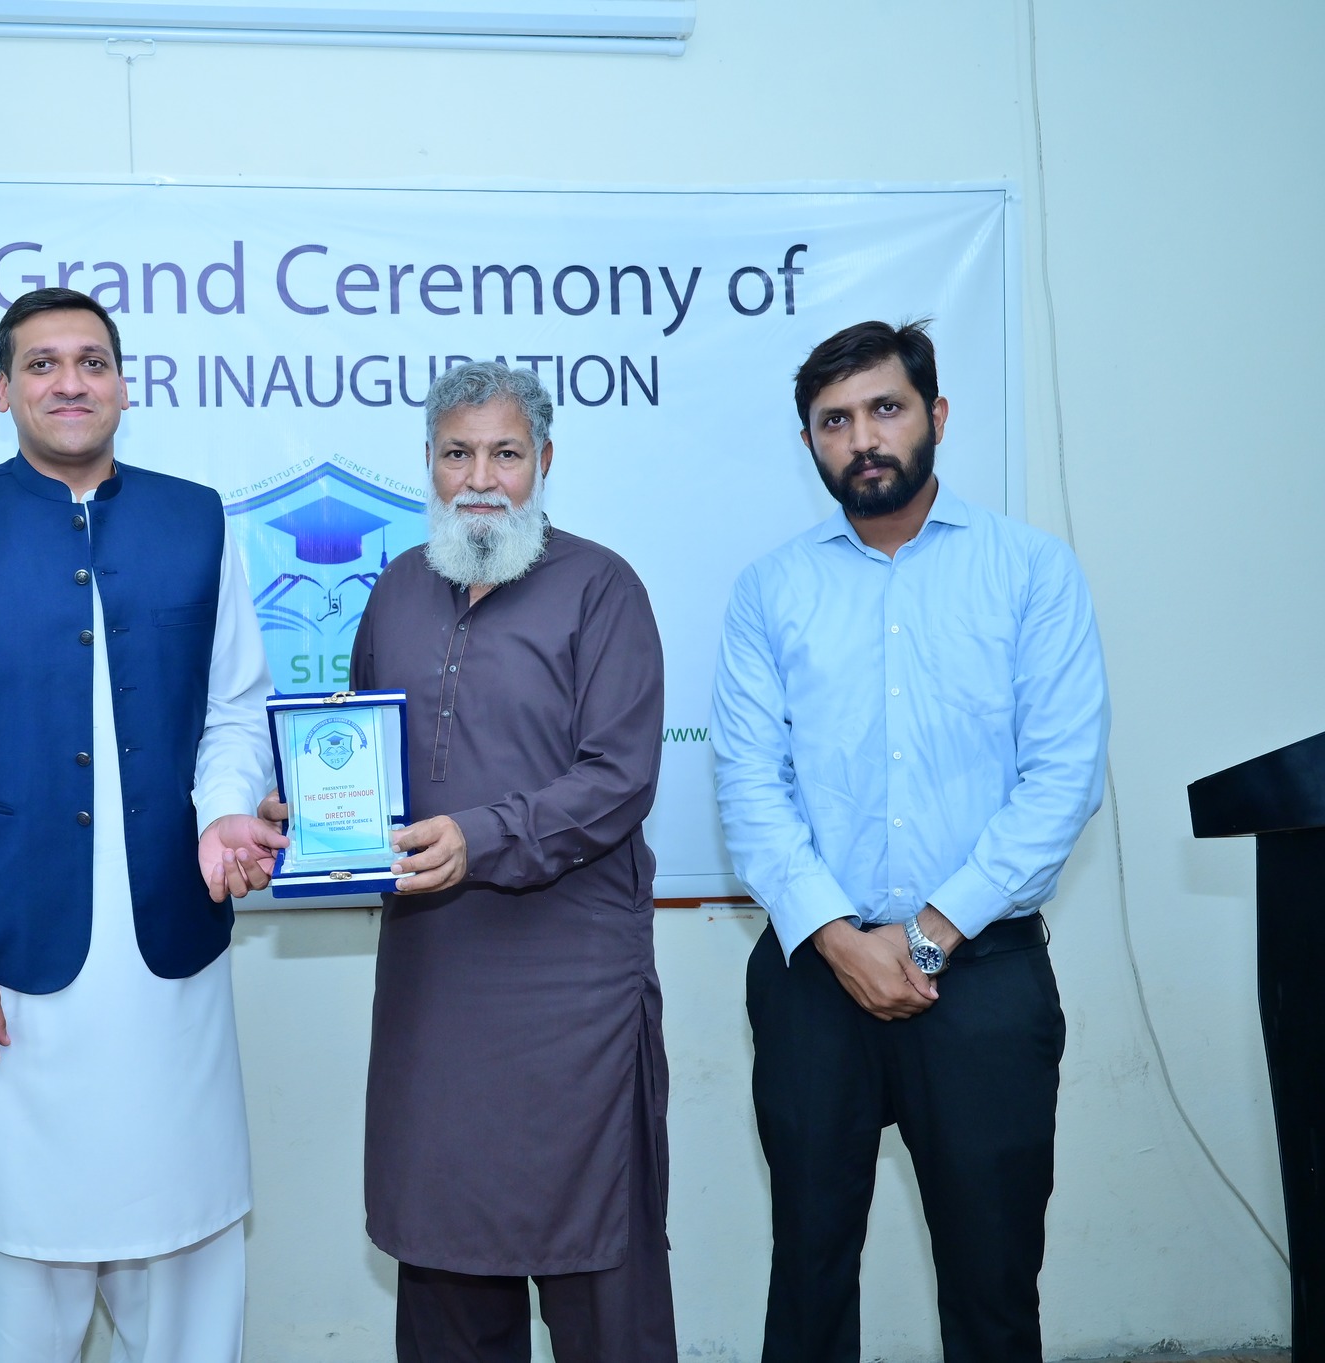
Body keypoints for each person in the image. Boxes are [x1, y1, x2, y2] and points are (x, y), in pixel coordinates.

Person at [0, 286, 284, 1363]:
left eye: (92, 361)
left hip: (166, 960)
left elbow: (235, 707)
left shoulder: (195, 518)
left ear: (124, 384)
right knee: (9, 1276)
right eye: (41, 363)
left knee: (187, 1263)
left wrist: (223, 811)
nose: (69, 382)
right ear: (1, 388)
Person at [712, 320, 1109, 1362]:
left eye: (884, 409)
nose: (862, 438)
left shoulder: (1030, 571)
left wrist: (929, 934)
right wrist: (840, 939)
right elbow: (749, 788)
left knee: (992, 1289)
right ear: (809, 441)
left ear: (935, 415)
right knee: (807, 1282)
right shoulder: (769, 591)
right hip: (815, 978)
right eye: (833, 421)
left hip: (982, 977)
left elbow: (1061, 780)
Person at [265, 360, 676, 1361]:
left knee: (600, 1278)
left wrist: (480, 836)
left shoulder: (601, 587)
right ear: (429, 462)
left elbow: (618, 778)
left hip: (572, 992)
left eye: (504, 453)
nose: (480, 478)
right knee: (443, 1263)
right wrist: (310, 817)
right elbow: (365, 759)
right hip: (435, 985)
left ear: (544, 460)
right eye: (457, 453)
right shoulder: (397, 588)